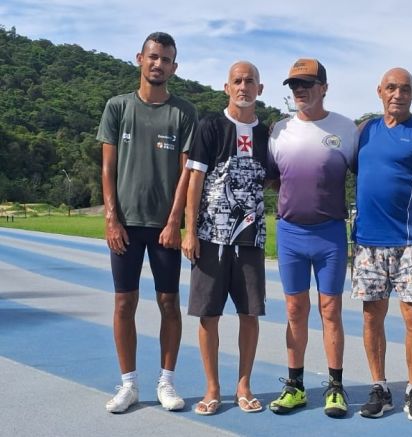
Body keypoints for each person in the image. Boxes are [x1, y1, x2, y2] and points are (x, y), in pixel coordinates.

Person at [98, 32, 197, 413]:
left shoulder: (184, 112)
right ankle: (129, 385)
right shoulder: (117, 107)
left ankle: (167, 382)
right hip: (125, 223)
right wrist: (111, 217)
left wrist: (175, 222)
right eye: (153, 57)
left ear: (174, 66)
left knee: (169, 302)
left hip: (164, 227)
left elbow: (186, 174)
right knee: (124, 302)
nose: (158, 64)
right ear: (140, 58)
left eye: (166, 59)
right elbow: (108, 168)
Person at [351, 68, 412, 422]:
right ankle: (379, 387)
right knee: (371, 318)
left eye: (405, 89)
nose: (398, 94)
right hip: (368, 242)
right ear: (379, 91)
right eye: (391, 88)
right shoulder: (364, 132)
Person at [267, 58, 358, 418]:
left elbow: (363, 176)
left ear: (324, 86)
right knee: (294, 310)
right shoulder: (278, 131)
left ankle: (336, 387)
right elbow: (276, 178)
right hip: (290, 233)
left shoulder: (346, 129)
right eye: (293, 85)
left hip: (330, 234)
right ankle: (296, 386)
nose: (299, 90)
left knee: (331, 310)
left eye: (306, 83)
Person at [181, 61, 268, 416]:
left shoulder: (268, 134)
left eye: (250, 81)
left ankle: (243, 384)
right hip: (211, 237)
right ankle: (212, 387)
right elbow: (195, 180)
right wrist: (189, 229)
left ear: (260, 89)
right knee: (209, 315)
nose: (243, 86)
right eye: (237, 81)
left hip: (251, 240)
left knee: (250, 314)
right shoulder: (211, 126)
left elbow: (278, 178)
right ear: (226, 87)